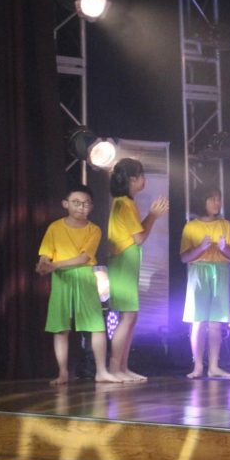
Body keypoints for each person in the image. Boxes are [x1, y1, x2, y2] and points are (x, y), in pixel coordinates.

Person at [36, 184, 120, 385]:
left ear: (91, 207)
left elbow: (84, 258)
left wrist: (54, 265)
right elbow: (45, 253)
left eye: (86, 203)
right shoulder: (55, 227)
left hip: (84, 276)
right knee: (60, 328)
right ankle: (63, 373)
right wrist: (43, 264)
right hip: (61, 279)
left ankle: (101, 371)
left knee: (96, 326)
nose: (81, 207)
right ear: (65, 204)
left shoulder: (94, 229)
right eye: (76, 203)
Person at [107, 157, 169, 382]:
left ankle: (122, 367)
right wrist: (153, 215)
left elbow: (137, 235)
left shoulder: (126, 203)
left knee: (131, 317)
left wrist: (151, 216)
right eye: (142, 176)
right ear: (132, 179)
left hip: (127, 263)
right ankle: (115, 368)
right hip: (123, 263)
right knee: (128, 317)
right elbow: (140, 238)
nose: (144, 180)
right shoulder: (123, 203)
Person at [180, 186, 230, 379]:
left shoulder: (226, 225)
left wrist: (224, 248)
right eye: (212, 199)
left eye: (218, 199)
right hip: (199, 271)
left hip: (220, 271)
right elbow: (184, 257)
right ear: (202, 201)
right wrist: (200, 248)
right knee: (198, 321)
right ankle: (197, 366)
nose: (217, 203)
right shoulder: (191, 226)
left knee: (216, 322)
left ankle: (214, 366)